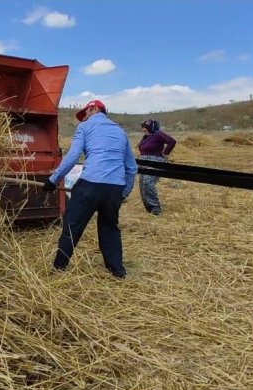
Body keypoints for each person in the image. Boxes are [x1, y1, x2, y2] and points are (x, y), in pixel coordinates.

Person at [42, 100, 137, 279]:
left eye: (85, 113)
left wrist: (53, 179)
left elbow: (72, 156)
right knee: (109, 227)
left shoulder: (85, 127)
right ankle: (117, 271)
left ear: (94, 109)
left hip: (90, 184)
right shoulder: (120, 131)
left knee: (73, 225)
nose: (83, 117)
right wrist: (123, 193)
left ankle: (59, 267)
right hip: (114, 188)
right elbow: (131, 168)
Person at [137, 119, 177, 215]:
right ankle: (149, 207)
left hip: (155, 162)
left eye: (145, 127)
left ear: (151, 127)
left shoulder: (158, 134)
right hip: (144, 163)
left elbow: (172, 141)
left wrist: (165, 153)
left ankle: (155, 207)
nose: (143, 129)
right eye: (142, 128)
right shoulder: (146, 138)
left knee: (148, 182)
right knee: (142, 184)